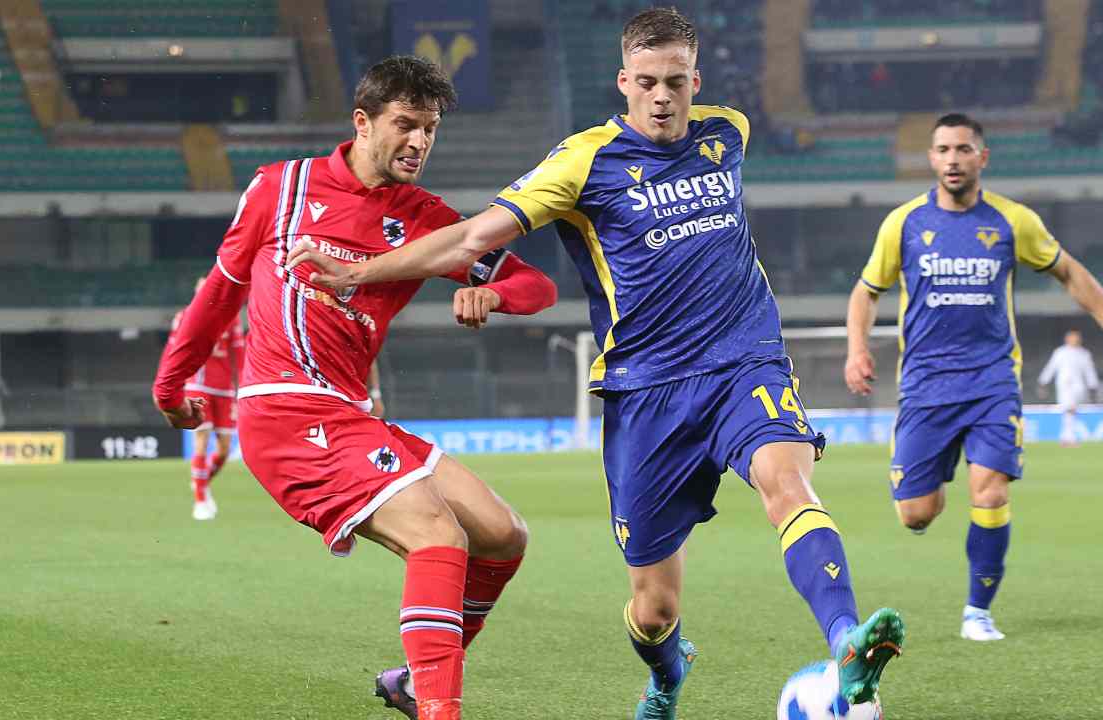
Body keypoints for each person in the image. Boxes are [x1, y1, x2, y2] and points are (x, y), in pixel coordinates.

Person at [286, 9, 904, 717]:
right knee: (652, 607)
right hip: (646, 394)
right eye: (647, 82)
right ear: (623, 82)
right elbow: (470, 240)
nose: (663, 96)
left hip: (744, 361)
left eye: (676, 81)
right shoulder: (583, 160)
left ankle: (846, 645)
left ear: (696, 81)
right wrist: (357, 273)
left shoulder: (727, 131)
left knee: (787, 484)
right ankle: (668, 674)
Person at [153, 56, 558, 720]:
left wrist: (491, 293)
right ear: (362, 122)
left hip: (349, 413)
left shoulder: (427, 219)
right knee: (437, 534)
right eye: (406, 124)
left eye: (430, 129)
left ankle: (411, 679)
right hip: (282, 411)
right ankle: (439, 709)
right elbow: (217, 297)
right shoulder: (281, 189)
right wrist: (171, 388)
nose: (419, 143)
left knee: (502, 534)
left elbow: (536, 285)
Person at [844, 113, 1103, 643]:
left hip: (992, 382)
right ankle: (930, 497)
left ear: (982, 157)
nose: (953, 159)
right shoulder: (904, 223)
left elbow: (1069, 271)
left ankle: (977, 612)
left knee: (990, 493)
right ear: (931, 159)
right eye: (943, 150)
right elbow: (867, 290)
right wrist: (856, 349)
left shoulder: (1012, 221)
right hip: (926, 385)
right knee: (916, 514)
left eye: (964, 149)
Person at [163, 277, 245, 520]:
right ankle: (199, 501)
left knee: (223, 450)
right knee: (201, 438)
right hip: (197, 385)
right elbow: (173, 352)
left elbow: (238, 356)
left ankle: (202, 482)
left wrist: (242, 387)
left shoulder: (230, 318)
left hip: (225, 390)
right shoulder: (184, 317)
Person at [1037, 330, 1100, 447]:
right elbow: (1051, 367)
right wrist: (1043, 382)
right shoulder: (1060, 352)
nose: (1075, 340)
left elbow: (1089, 371)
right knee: (1068, 410)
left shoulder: (1084, 353)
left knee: (1072, 411)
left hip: (1079, 386)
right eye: (1072, 338)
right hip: (1065, 385)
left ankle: (1067, 437)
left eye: (1076, 338)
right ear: (1067, 339)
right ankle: (1069, 438)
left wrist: (1093, 386)